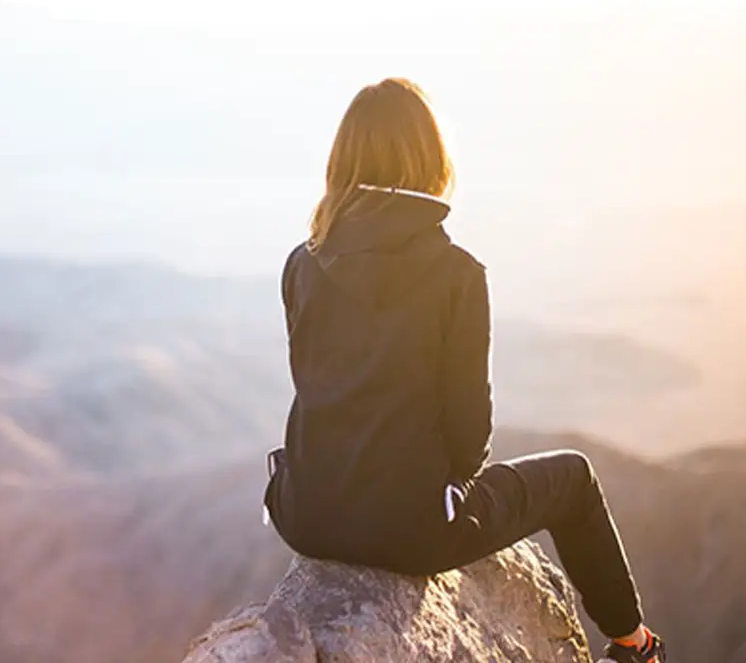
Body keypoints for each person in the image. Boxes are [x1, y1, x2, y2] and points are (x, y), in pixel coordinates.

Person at [263, 78, 666, 663]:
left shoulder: (302, 262)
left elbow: (320, 387)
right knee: (574, 479)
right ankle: (635, 645)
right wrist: (438, 491)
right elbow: (469, 437)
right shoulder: (457, 275)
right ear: (430, 160)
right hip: (413, 532)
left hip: (303, 515)